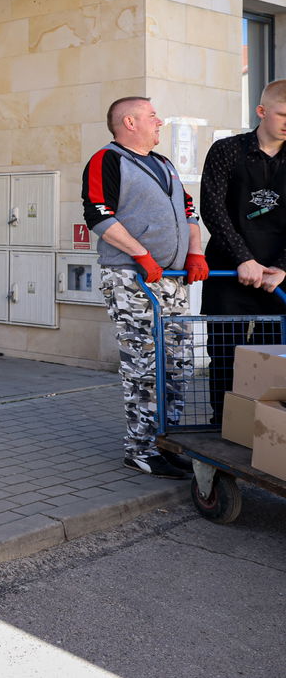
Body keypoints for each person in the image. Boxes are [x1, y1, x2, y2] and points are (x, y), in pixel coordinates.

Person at [82, 96, 208, 479]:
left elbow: (189, 211)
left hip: (170, 279)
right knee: (144, 366)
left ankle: (165, 443)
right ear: (130, 122)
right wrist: (141, 255)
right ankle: (140, 450)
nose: (160, 121)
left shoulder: (166, 165)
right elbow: (97, 214)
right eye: (153, 116)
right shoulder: (108, 159)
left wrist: (195, 253)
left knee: (177, 363)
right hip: (132, 277)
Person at [200, 80, 286, 423]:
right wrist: (243, 259)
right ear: (261, 111)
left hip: (278, 279)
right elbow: (213, 209)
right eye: (283, 114)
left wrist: (281, 267)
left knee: (275, 355)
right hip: (227, 271)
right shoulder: (227, 151)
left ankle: (267, 428)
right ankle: (224, 424)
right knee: (224, 354)